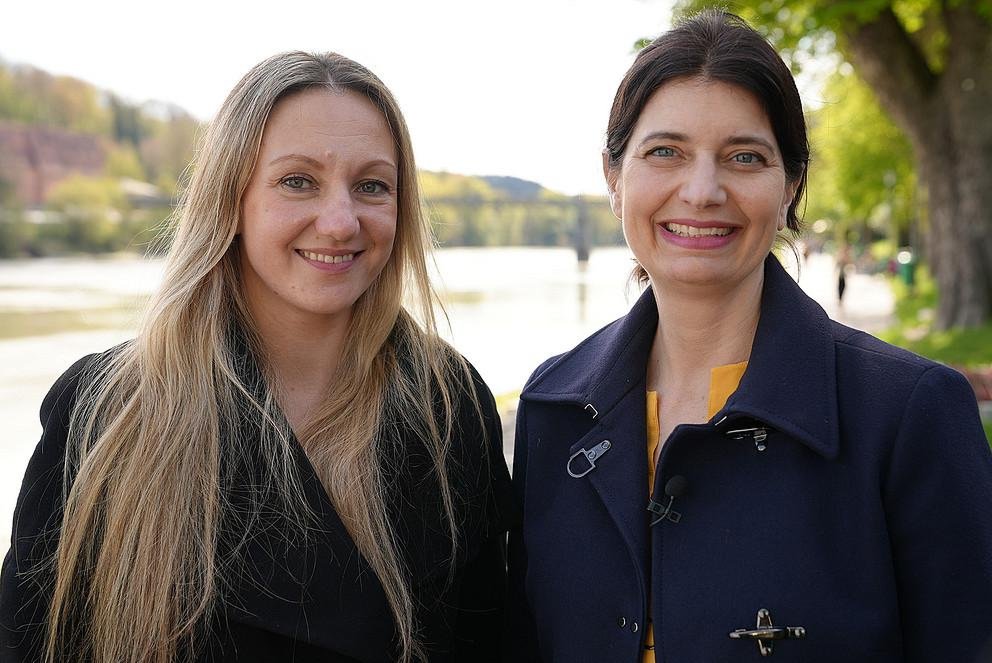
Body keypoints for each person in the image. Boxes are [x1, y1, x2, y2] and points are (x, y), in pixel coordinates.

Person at [506, 11, 992, 663]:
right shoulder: (552, 406)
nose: (702, 190)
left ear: (790, 185)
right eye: (665, 152)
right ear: (614, 177)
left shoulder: (909, 413)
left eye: (744, 156)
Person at [0, 51, 512, 663]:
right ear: (230, 200)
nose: (341, 220)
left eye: (372, 186)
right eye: (298, 181)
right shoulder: (108, 409)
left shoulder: (447, 405)